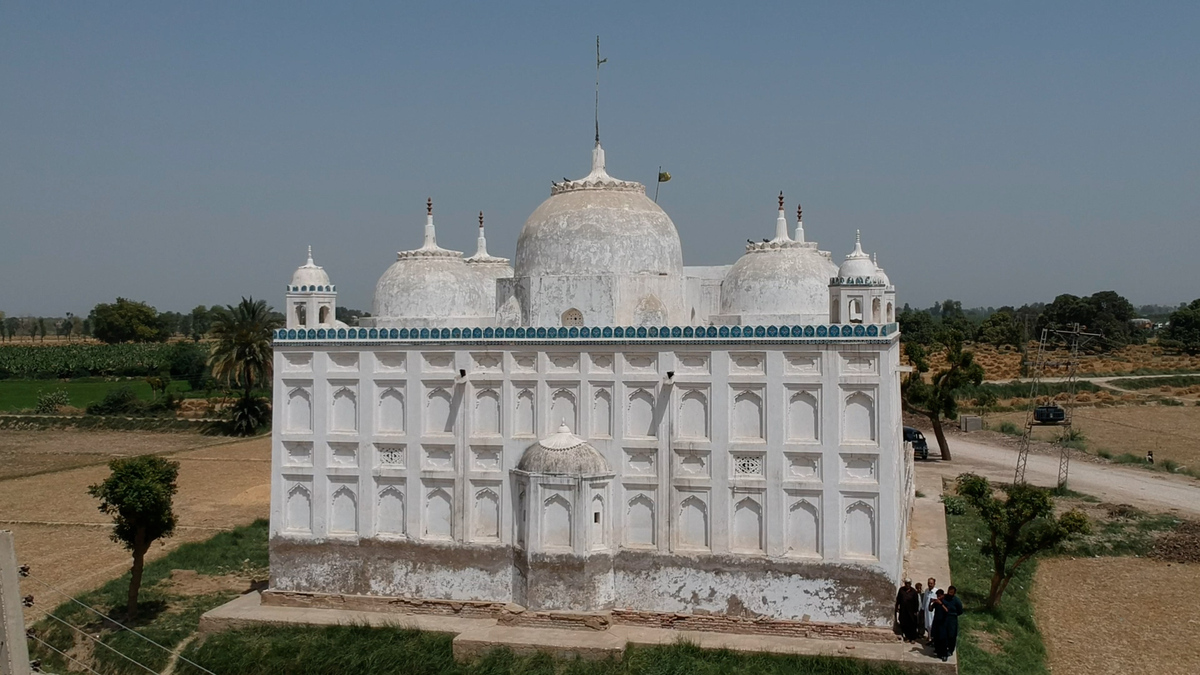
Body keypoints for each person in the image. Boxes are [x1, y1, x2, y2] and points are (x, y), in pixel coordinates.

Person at [940, 586, 964, 660]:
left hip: (952, 619)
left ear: (954, 593)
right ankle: (944, 653)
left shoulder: (956, 601)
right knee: (944, 636)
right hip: (944, 618)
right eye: (949, 592)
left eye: (952, 592)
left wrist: (953, 615)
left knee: (952, 635)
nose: (950, 594)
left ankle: (950, 650)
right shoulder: (944, 598)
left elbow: (960, 611)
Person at [929, 589, 949, 660]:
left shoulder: (945, 602)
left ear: (943, 595)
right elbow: (930, 609)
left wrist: (941, 604)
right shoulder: (936, 603)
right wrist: (931, 602)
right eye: (937, 596)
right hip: (936, 622)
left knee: (943, 639)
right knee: (936, 637)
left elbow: (947, 610)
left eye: (940, 596)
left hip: (943, 623)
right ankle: (938, 651)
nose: (938, 597)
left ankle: (944, 654)